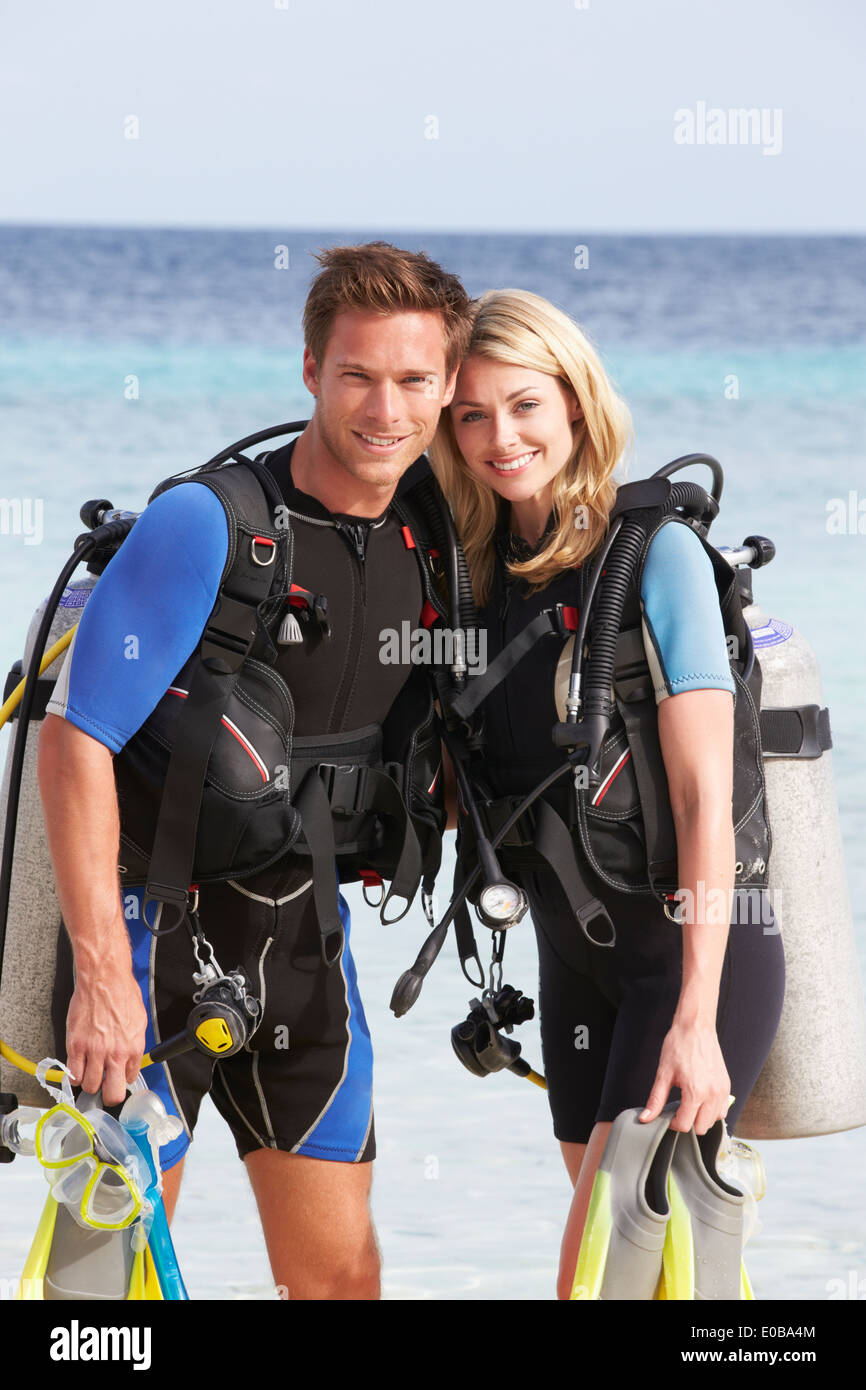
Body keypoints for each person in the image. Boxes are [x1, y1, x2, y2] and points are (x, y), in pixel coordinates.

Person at [36, 242, 474, 1301]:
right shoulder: (215, 523)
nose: (385, 408)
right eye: (357, 374)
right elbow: (75, 737)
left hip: (309, 950)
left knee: (339, 1285)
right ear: (310, 370)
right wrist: (100, 978)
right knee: (103, 1296)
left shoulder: (435, 533)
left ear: (449, 386)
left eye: (415, 380)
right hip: (149, 951)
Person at [428, 289, 786, 1299]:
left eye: (525, 405)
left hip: (685, 959)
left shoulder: (652, 557)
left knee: (591, 1279)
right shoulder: (477, 574)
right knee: (648, 1278)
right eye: (471, 413)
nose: (501, 437)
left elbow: (701, 800)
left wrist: (697, 1017)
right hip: (574, 968)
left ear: (575, 405)